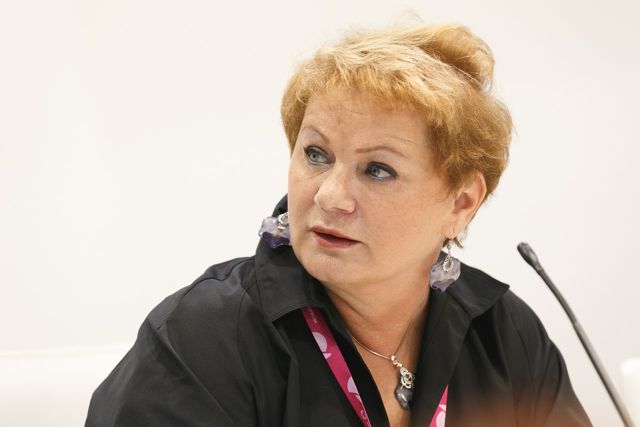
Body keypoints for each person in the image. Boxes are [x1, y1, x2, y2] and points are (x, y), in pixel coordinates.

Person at [85, 23, 592, 427]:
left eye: (378, 170)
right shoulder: (205, 336)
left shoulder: (502, 335)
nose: (329, 195)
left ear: (460, 202)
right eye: (316, 154)